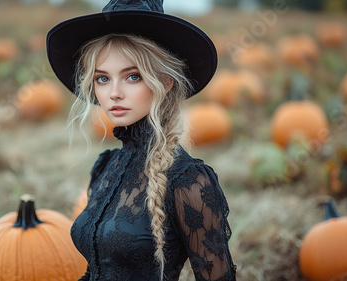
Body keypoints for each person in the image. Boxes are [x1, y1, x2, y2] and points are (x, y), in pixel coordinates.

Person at [46, 0, 236, 280]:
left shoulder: (189, 182)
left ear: (165, 81)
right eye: (102, 79)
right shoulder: (105, 167)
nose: (114, 93)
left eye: (132, 76)